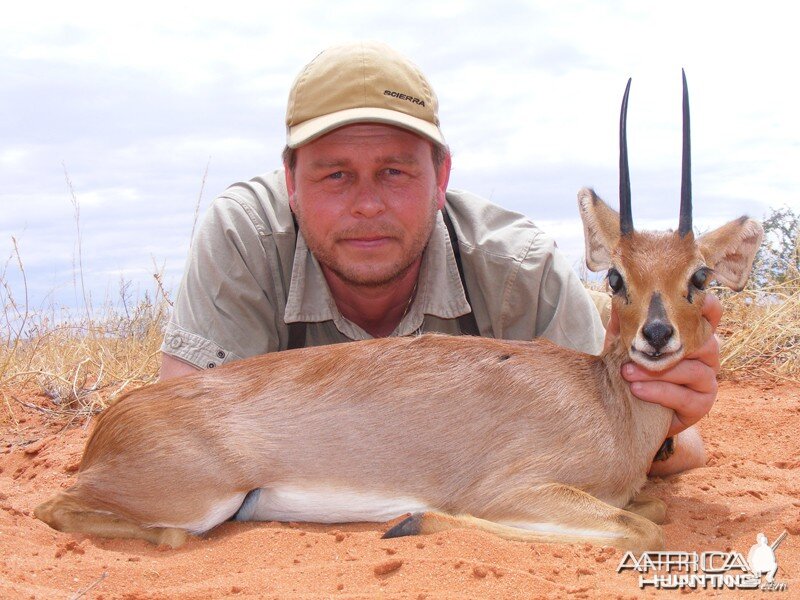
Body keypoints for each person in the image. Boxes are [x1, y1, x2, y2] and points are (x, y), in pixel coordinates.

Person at [159, 41, 720, 476]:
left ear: (441, 176)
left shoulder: (518, 271)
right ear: (290, 183)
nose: (367, 205)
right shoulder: (245, 237)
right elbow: (175, 427)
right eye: (334, 175)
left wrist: (661, 422)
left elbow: (669, 444)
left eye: (394, 171)